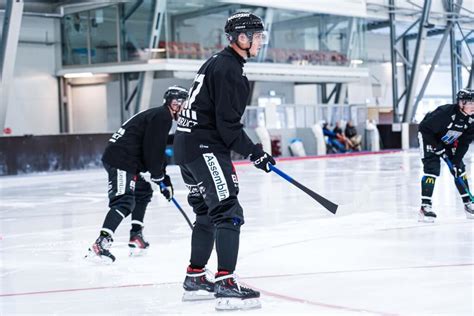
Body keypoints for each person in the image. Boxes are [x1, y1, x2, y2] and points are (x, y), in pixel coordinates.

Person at [173, 12, 275, 310]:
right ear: (241, 39)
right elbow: (228, 127)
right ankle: (226, 282)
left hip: (185, 147)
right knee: (228, 211)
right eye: (256, 36)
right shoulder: (232, 70)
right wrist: (256, 153)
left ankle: (195, 277)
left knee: (206, 213)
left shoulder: (216, 62)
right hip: (204, 148)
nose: (260, 42)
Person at [85, 86, 189, 263]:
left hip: (126, 160)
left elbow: (156, 145)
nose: (186, 109)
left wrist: (162, 177)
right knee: (124, 201)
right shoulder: (163, 117)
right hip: (121, 160)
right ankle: (101, 244)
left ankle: (136, 235)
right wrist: (161, 177)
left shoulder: (160, 116)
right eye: (184, 104)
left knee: (143, 192)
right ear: (175, 103)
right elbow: (153, 152)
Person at [418, 88, 474, 222]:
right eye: (470, 103)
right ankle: (425, 207)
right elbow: (425, 128)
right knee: (432, 169)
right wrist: (437, 147)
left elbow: (465, 142)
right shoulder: (446, 113)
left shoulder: (472, 120)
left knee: (458, 169)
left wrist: (456, 161)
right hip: (429, 137)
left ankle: (468, 204)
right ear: (461, 103)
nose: (473, 106)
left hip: (449, 140)